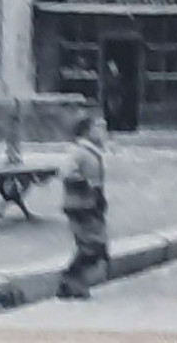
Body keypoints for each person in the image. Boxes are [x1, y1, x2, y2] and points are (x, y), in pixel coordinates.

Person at [57, 113, 110, 299]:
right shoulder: (78, 151)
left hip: (91, 204)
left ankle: (75, 283)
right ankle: (69, 281)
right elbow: (67, 173)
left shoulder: (93, 152)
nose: (104, 132)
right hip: (79, 205)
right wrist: (86, 186)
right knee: (91, 245)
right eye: (99, 127)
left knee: (95, 246)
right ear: (87, 130)